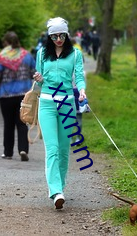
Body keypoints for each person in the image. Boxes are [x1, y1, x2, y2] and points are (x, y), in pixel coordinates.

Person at [33, 17, 86, 209]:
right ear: (49, 36)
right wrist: (38, 78)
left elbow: (79, 76)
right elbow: (39, 83)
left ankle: (60, 187)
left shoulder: (75, 54)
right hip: (46, 104)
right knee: (52, 148)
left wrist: (81, 90)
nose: (58, 39)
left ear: (67, 34)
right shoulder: (41, 54)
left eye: (62, 35)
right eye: (54, 36)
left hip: (67, 104)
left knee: (64, 150)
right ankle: (55, 191)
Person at [0, 31, 36, 161]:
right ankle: (23, 149)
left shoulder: (2, 57)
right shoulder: (27, 55)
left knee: (8, 124)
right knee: (22, 123)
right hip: (23, 95)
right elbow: (34, 73)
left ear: (6, 43)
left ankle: (8, 152)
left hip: (6, 95)